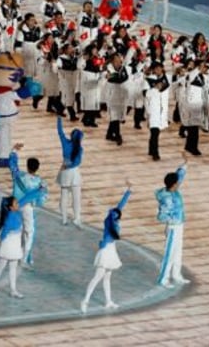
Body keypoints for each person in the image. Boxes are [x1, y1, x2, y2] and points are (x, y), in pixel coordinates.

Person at [80, 183, 131, 314]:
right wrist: (103, 243)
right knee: (97, 277)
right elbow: (109, 236)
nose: (114, 212)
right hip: (106, 251)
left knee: (107, 278)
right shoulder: (110, 222)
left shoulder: (112, 219)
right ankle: (85, 301)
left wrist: (128, 191)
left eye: (115, 213)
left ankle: (108, 301)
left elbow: (121, 206)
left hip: (111, 250)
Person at [0, 187, 45, 300]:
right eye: (15, 203)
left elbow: (26, 198)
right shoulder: (10, 217)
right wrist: (0, 244)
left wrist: (38, 191)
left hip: (15, 243)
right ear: (11, 207)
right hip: (8, 243)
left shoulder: (15, 210)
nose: (18, 204)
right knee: (0, 266)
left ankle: (13, 290)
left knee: (13, 267)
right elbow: (4, 232)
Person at [7, 144, 48, 267]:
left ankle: (15, 253)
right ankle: (24, 258)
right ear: (37, 168)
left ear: (27, 166)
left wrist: (14, 150)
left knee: (16, 230)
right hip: (28, 208)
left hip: (15, 206)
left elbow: (12, 165)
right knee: (29, 233)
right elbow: (42, 199)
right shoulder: (40, 182)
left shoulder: (19, 176)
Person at [156, 154, 189, 288]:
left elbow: (179, 175)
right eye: (177, 182)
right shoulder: (167, 198)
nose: (179, 182)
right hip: (173, 227)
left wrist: (185, 163)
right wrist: (171, 221)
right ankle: (163, 278)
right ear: (173, 184)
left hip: (179, 225)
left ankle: (176, 275)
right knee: (169, 254)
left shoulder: (173, 190)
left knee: (178, 252)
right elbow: (161, 216)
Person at [56, 116, 84, 227]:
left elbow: (60, 132)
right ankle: (77, 218)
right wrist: (69, 165)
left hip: (64, 172)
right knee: (76, 197)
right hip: (74, 173)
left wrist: (59, 119)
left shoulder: (65, 143)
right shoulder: (80, 149)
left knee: (64, 196)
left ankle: (64, 218)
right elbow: (77, 162)